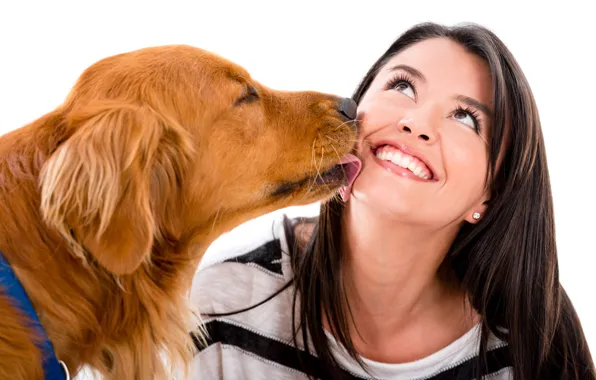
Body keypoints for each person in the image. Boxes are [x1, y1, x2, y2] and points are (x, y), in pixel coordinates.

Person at [189, 22, 596, 380]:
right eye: (403, 86)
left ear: (491, 194)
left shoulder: (532, 336)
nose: (416, 122)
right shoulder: (219, 308)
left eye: (465, 118)